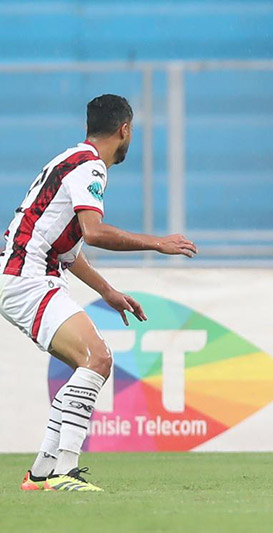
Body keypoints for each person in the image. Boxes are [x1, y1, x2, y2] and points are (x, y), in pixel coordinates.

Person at [1, 94, 198, 492]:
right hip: (27, 276)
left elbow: (69, 249)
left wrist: (108, 291)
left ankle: (41, 473)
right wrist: (157, 242)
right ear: (125, 130)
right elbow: (94, 232)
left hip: (27, 274)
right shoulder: (89, 166)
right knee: (98, 358)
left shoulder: (70, 160)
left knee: (87, 363)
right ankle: (62, 472)